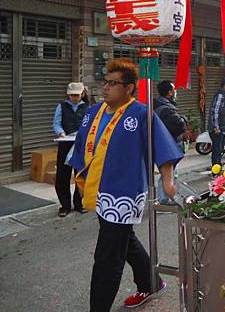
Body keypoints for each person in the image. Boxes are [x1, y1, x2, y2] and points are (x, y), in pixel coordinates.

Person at [69, 58, 183, 312]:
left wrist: (168, 180)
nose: (106, 88)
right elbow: (81, 146)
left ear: (129, 88)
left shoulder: (142, 113)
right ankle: (151, 282)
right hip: (96, 187)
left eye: (113, 83)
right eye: (105, 82)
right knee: (124, 239)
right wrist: (77, 179)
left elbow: (162, 147)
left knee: (108, 255)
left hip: (124, 193)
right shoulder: (93, 111)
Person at [53, 82, 89, 217]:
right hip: (65, 144)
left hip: (81, 145)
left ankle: (79, 203)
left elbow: (91, 125)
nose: (74, 98)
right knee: (63, 175)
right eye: (72, 95)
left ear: (82, 94)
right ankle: (65, 205)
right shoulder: (61, 106)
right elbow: (56, 123)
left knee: (81, 173)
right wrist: (61, 132)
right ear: (68, 95)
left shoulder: (88, 107)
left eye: (77, 95)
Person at [154, 80, 188, 205]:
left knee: (168, 173)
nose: (175, 93)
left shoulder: (161, 105)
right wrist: (184, 119)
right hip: (169, 146)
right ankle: (165, 199)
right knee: (170, 174)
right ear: (169, 92)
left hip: (168, 145)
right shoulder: (165, 108)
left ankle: (166, 197)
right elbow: (178, 125)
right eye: (174, 90)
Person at [208, 77, 225, 164]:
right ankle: (215, 170)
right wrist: (216, 127)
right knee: (216, 150)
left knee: (219, 149)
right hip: (217, 129)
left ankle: (217, 166)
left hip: (222, 128)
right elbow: (215, 112)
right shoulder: (220, 96)